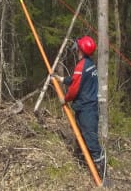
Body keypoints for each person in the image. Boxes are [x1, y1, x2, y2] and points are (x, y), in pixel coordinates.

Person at [51, 36, 104, 175]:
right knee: (82, 136)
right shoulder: (89, 63)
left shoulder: (82, 65)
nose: (75, 48)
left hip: (86, 109)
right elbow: (77, 80)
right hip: (87, 107)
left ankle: (101, 171)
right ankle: (84, 164)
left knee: (90, 139)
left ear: (80, 49)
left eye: (77, 46)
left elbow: (75, 88)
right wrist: (61, 79)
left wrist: (65, 99)